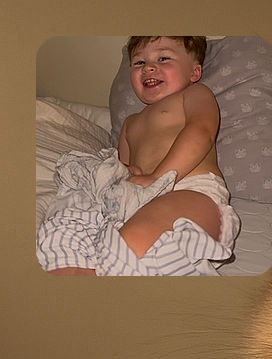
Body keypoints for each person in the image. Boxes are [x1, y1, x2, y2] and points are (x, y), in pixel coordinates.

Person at [44, 36, 239, 276]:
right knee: (74, 231)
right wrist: (124, 173)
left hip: (190, 189)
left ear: (194, 72)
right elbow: (123, 169)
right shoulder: (130, 123)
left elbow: (201, 132)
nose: (148, 67)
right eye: (138, 63)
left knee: (134, 241)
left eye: (163, 58)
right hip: (135, 199)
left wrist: (158, 176)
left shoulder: (195, 94)